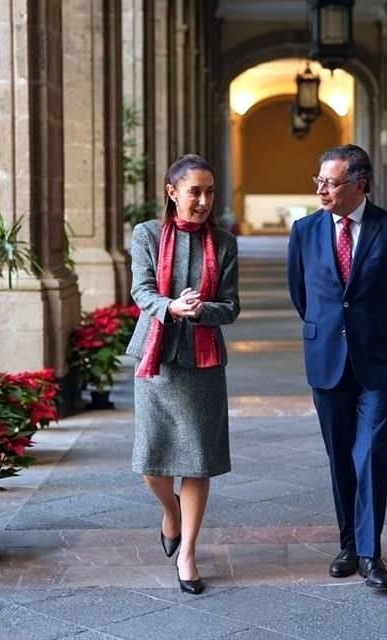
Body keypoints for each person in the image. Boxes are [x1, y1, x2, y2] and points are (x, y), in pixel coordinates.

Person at [287, 144, 387, 589]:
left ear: (359, 183)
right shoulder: (304, 231)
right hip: (326, 357)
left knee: (372, 454)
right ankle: (348, 544)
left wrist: (372, 329)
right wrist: (331, 330)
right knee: (339, 455)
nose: (322, 189)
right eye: (319, 181)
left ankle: (371, 553)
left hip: (378, 360)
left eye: (331, 182)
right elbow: (301, 296)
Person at [126, 154, 240, 595]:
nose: (204, 200)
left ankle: (188, 553)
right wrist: (171, 307)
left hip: (204, 363)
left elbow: (230, 307)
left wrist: (199, 310)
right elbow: (141, 291)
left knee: (198, 460)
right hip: (156, 358)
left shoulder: (226, 243)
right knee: (151, 461)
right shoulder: (148, 235)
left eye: (210, 191)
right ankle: (170, 510)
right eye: (195, 191)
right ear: (172, 192)